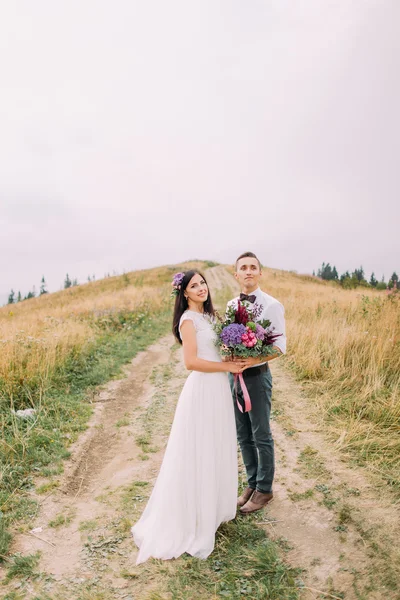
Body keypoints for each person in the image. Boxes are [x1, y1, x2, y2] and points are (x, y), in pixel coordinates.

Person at [131, 270, 245, 564]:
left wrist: (231, 358)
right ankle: (193, 517)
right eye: (194, 286)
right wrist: (226, 369)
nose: (201, 288)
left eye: (203, 283)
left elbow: (214, 352)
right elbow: (191, 362)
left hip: (218, 389)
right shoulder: (188, 321)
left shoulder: (210, 317)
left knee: (217, 444)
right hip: (203, 390)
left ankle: (214, 508)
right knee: (200, 448)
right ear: (184, 293)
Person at [227, 252, 286, 514]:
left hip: (257, 377)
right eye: (243, 268)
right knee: (243, 435)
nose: (248, 271)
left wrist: (248, 361)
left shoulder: (272, 305)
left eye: (253, 267)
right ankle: (251, 484)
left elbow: (279, 347)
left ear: (260, 273)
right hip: (234, 378)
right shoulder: (230, 306)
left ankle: (265, 489)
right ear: (236, 274)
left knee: (261, 435)